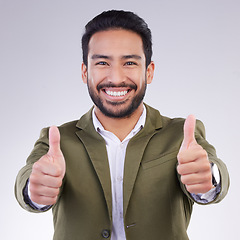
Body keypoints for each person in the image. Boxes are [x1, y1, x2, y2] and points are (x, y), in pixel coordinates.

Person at [15, 10, 229, 240]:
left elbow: (212, 173)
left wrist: (208, 180)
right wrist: (34, 191)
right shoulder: (57, 139)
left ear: (149, 71)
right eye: (102, 62)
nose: (116, 77)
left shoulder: (180, 135)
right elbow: (27, 181)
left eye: (129, 62)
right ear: (85, 72)